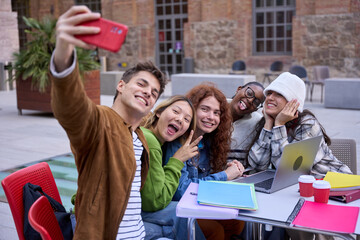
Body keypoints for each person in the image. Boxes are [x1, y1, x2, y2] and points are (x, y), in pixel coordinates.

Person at [50, 5, 168, 239]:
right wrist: (63, 55)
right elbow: (73, 109)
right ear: (121, 86)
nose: (148, 93)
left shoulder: (139, 135)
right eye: (142, 84)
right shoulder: (100, 122)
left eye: (154, 92)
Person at [246, 72, 352, 240]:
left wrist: (279, 125)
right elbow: (256, 165)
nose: (270, 98)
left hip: (332, 188)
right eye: (270, 93)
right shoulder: (268, 121)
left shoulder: (307, 123)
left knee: (297, 222)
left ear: (293, 102)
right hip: (297, 192)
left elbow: (290, 170)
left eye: (279, 94)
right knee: (281, 218)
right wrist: (268, 124)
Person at [163, 83, 245, 240]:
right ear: (192, 109)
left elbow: (204, 179)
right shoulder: (177, 140)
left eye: (216, 112)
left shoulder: (209, 141)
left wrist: (232, 172)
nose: (211, 117)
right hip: (178, 207)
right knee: (214, 230)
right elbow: (181, 191)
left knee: (236, 222)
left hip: (198, 202)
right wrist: (224, 176)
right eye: (205, 109)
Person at [140, 95, 204, 239]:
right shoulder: (150, 140)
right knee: (183, 214)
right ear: (159, 112)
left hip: (136, 211)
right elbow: (155, 202)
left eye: (186, 119)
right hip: (118, 215)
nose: (180, 119)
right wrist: (177, 160)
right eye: (176, 111)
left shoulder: (160, 144)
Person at [227, 82, 265, 169]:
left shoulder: (257, 123)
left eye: (256, 102)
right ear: (239, 89)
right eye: (249, 93)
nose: (250, 100)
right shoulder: (215, 110)